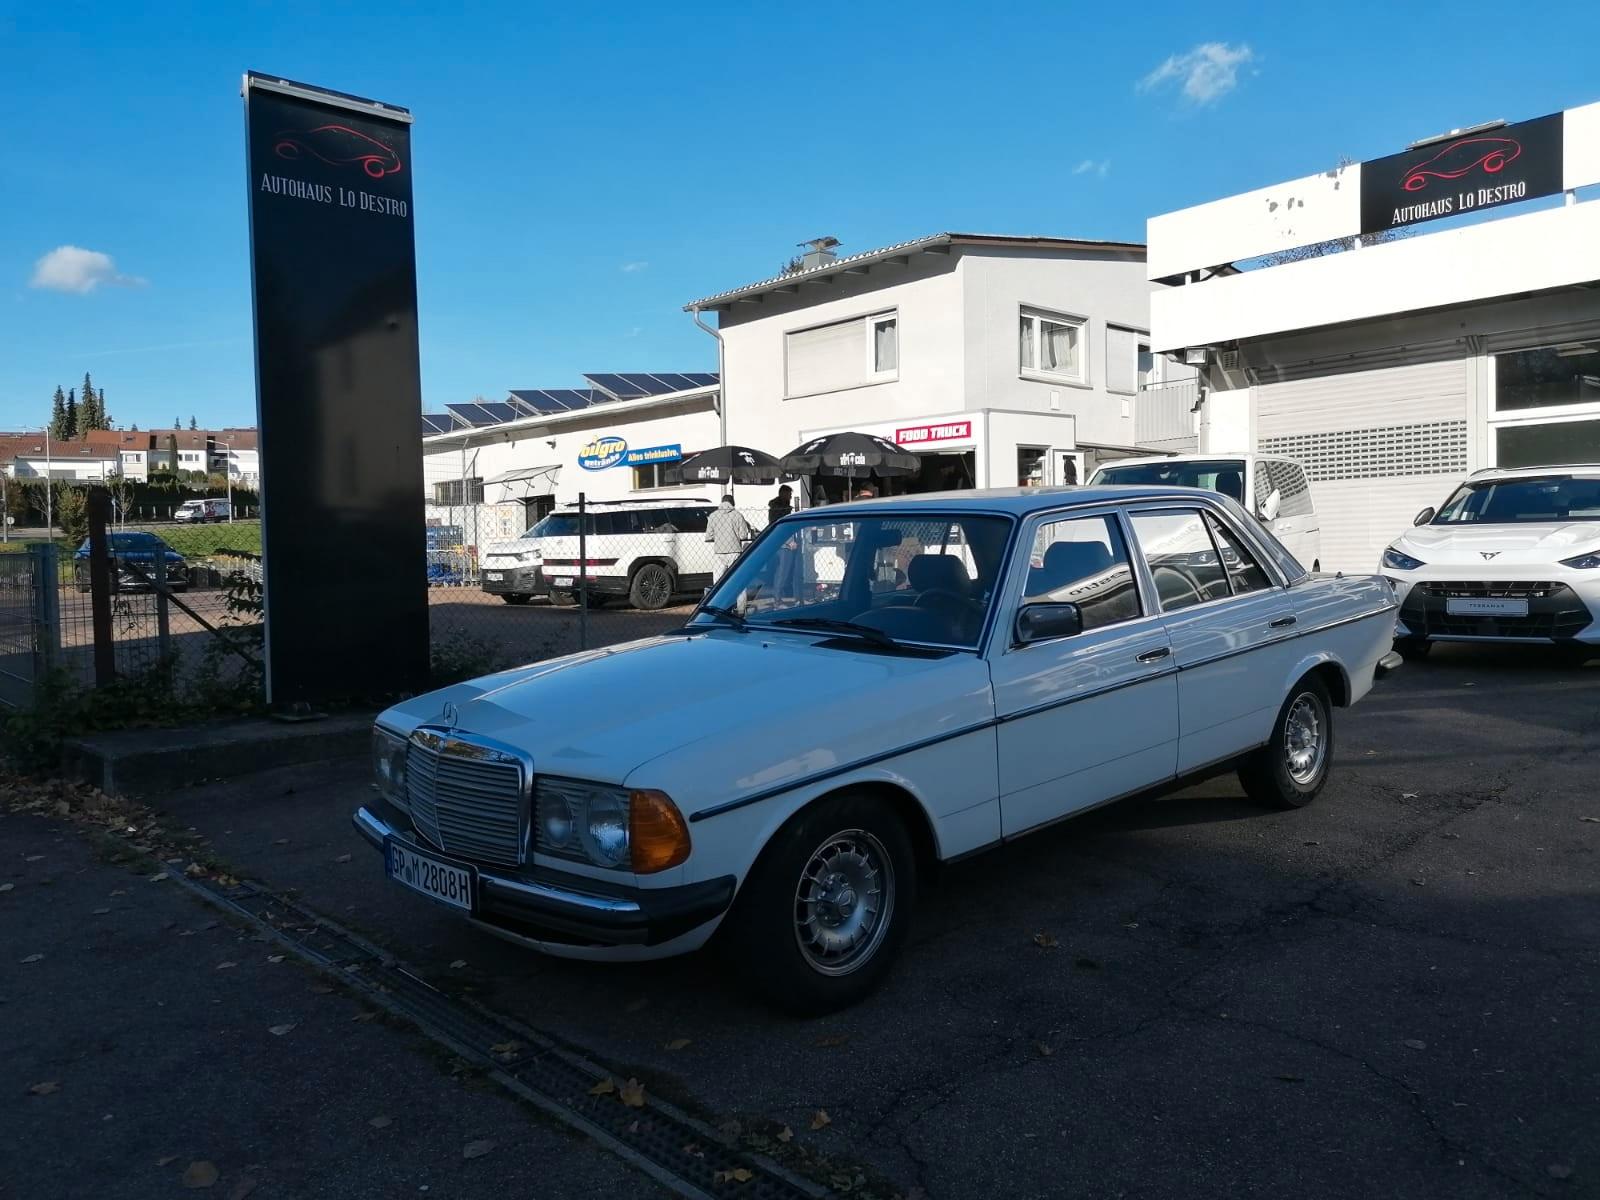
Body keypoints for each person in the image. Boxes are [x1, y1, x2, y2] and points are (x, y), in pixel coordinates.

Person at [705, 495, 753, 583]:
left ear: (722, 502)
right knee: (737, 577)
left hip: (719, 550)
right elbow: (743, 535)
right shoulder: (738, 515)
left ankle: (718, 595)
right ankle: (739, 596)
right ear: (733, 503)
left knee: (718, 578)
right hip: (734, 550)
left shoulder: (713, 516)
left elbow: (709, 536)